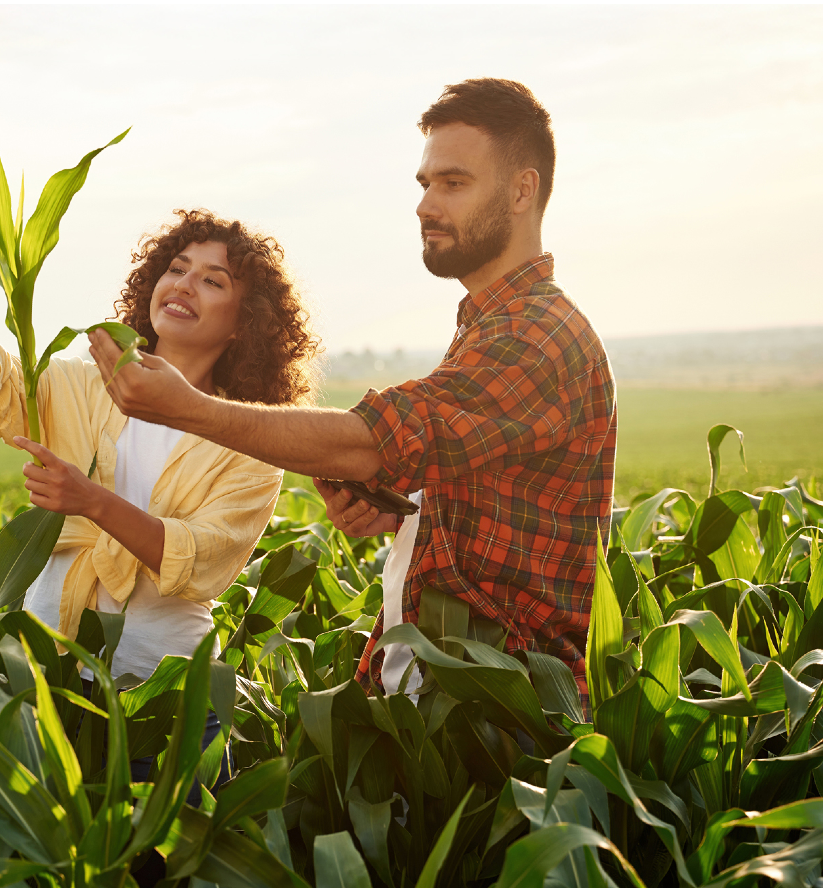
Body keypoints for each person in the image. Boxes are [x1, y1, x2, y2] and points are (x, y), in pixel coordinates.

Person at [85, 79, 616, 713]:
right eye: (424, 184)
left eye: (453, 183)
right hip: (439, 705)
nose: (425, 204)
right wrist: (404, 511)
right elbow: (468, 481)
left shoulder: (537, 335)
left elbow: (374, 438)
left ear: (523, 190)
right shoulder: (488, 326)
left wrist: (189, 410)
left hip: (496, 717)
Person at [0, 135, 320, 687]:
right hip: (45, 675)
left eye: (212, 280)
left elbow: (200, 562)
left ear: (244, 322)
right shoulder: (82, 386)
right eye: (177, 268)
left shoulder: (250, 442)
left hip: (163, 693)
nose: (184, 285)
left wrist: (91, 501)